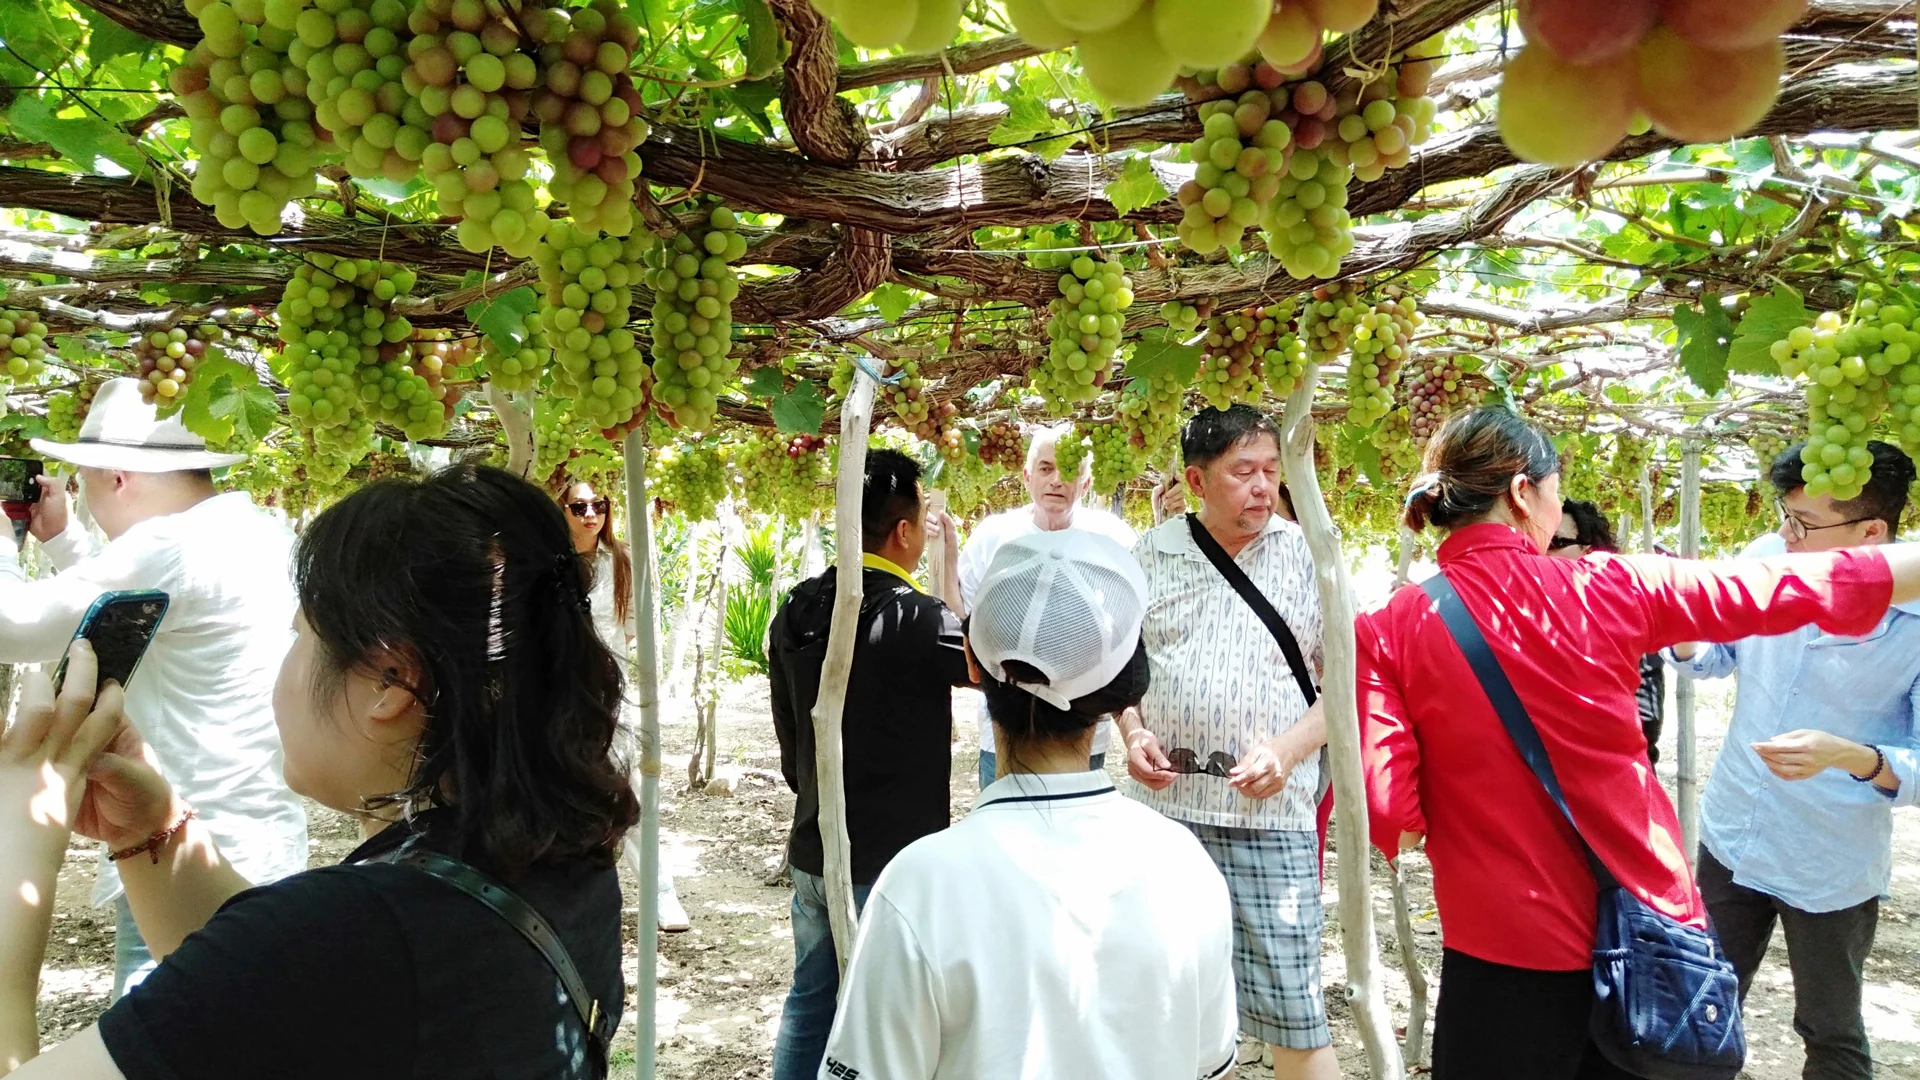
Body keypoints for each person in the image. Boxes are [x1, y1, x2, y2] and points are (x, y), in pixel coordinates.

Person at [0, 463, 639, 1078]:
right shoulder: (555, 857)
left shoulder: (352, 930)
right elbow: (277, 985)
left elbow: (293, 961)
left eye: (299, 638)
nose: (283, 672)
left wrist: (16, 853)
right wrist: (151, 828)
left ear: (392, 681)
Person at [1357, 407, 1920, 1080]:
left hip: (1499, 950)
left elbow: (1393, 819)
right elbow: (1800, 585)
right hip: (1648, 947)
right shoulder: (1611, 583)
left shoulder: (1388, 628)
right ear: (1521, 493)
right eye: (1556, 488)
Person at [819, 530, 1238, 1080]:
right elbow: (1212, 1065)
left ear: (971, 661)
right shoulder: (1185, 867)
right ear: (1121, 689)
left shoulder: (921, 885)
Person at [0, 377, 304, 999]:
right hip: (259, 843)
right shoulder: (254, 530)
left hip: (180, 853)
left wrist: (6, 539)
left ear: (117, 477)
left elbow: (14, 629)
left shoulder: (173, 546)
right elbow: (133, 607)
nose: (81, 495)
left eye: (84, 480)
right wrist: (62, 542)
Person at [1666, 440, 1920, 1080]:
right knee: (1703, 1009)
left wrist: (1850, 756)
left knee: (1831, 1032)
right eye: (1785, 515)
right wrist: (1683, 626)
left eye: (1803, 524)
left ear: (1872, 532)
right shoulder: (1767, 559)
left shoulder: (1915, 625)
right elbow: (1717, 657)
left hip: (1828, 862)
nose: (1784, 533)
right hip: (1733, 835)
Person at [1117, 405, 1335, 1080]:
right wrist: (1131, 732)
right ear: (1195, 479)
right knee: (1166, 1005)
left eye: (1271, 471)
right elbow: (1120, 670)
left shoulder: (1309, 557)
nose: (1264, 487)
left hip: (1269, 818)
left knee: (1294, 1012)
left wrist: (1290, 750)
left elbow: (1350, 685)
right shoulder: (1151, 554)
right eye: (1244, 472)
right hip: (1162, 821)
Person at [766, 448, 969, 1080]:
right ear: (905, 532)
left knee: (810, 998)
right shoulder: (917, 616)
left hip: (815, 847)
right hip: (888, 862)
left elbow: (790, 740)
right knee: (882, 1017)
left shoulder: (797, 605)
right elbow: (1000, 671)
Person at [957, 425, 1135, 788]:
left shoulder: (1113, 539)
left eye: (1069, 470)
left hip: (1083, 733)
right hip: (1005, 733)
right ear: (1026, 476)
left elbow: (1127, 636)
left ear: (1085, 484)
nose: (1056, 480)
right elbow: (967, 623)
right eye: (1045, 468)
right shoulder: (992, 537)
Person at [557, 475, 690, 934]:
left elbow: (630, 628)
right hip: (559, 697)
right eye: (579, 507)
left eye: (599, 504)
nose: (591, 513)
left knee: (631, 790)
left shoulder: (619, 562)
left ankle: (660, 894)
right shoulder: (548, 566)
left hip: (610, 697)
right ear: (561, 511)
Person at [1550, 499, 1666, 763]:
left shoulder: (1625, 617)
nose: (1541, 554)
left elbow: (1647, 718)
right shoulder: (1525, 616)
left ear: (1588, 551)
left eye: (1555, 544)